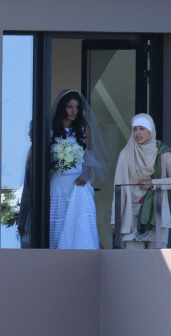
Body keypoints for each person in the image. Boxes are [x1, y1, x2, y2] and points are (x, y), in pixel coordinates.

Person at [110, 113, 171, 249]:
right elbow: (118, 187)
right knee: (134, 262)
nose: (137, 133)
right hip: (132, 217)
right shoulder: (126, 153)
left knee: (157, 263)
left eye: (142, 128)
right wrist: (115, 219)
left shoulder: (163, 152)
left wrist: (153, 183)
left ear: (150, 130)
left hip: (157, 216)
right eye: (135, 129)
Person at [49, 90, 109, 249]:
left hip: (77, 183)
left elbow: (88, 157)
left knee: (78, 227)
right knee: (57, 225)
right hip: (57, 183)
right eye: (69, 107)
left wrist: (85, 175)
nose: (74, 111)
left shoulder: (83, 128)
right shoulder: (51, 129)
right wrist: (55, 163)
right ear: (62, 107)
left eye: (76, 107)